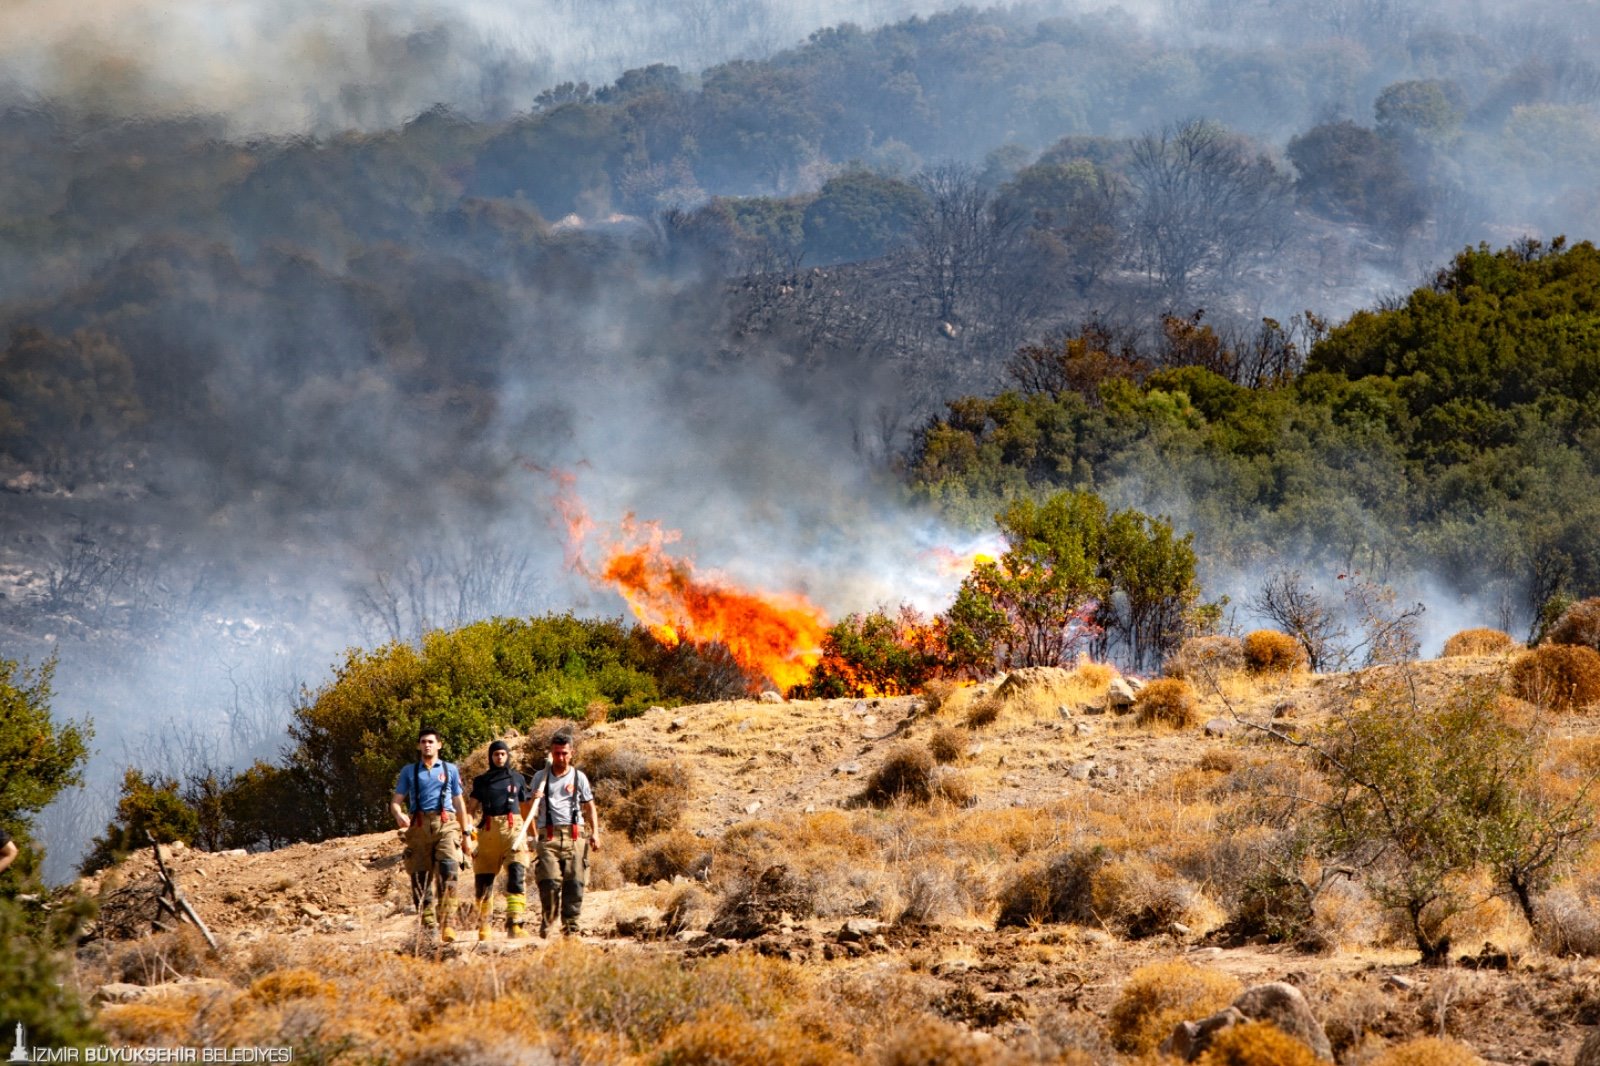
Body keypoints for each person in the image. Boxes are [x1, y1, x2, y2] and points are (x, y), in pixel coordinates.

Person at [391, 727, 472, 943]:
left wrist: (466, 834)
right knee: (420, 877)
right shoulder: (409, 771)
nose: (427, 745)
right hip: (418, 826)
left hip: (445, 823)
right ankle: (428, 925)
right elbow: (396, 801)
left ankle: (448, 922)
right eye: (423, 742)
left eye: (431, 741)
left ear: (439, 745)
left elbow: (459, 802)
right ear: (419, 746)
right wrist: (398, 814)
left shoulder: (450, 769)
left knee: (448, 869)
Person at [526, 732, 600, 937]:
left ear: (571, 753)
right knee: (548, 882)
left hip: (575, 835)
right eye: (557, 753)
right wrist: (533, 833)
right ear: (551, 753)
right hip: (548, 836)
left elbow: (590, 807)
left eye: (564, 753)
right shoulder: (540, 778)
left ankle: (571, 928)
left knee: (575, 883)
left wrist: (595, 833)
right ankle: (549, 921)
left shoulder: (579, 777)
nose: (560, 757)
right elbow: (528, 810)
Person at [466, 739, 534, 941]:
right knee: (483, 880)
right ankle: (484, 926)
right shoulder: (481, 781)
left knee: (517, 872)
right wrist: (468, 832)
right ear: (490, 757)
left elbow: (525, 808)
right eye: (496, 754)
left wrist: (532, 835)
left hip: (514, 829)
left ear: (507, 755)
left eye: (503, 754)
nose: (499, 757)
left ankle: (515, 924)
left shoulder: (518, 778)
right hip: (488, 831)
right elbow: (470, 809)